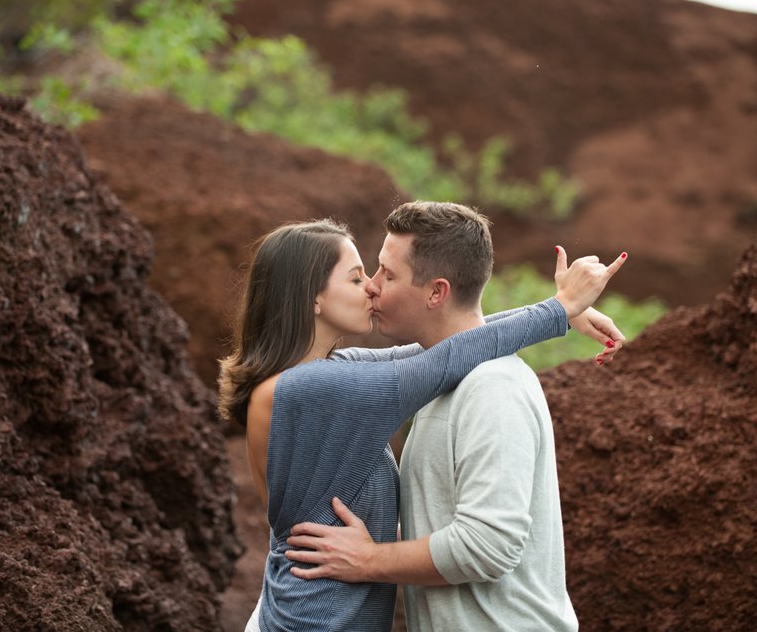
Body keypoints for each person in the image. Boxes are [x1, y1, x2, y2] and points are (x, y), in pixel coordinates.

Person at [217, 211, 625, 632]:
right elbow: (441, 360)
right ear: (312, 299)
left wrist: (560, 315)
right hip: (310, 621)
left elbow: (447, 348)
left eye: (379, 275)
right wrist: (557, 310)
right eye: (357, 278)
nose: (372, 285)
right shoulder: (315, 388)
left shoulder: (334, 371)